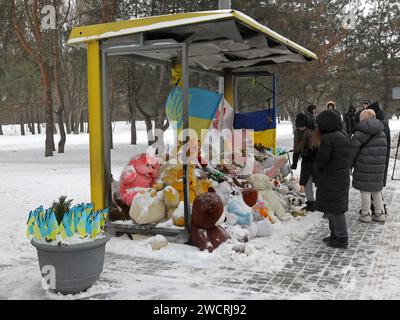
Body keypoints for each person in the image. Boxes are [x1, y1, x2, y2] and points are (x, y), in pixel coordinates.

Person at [314, 110, 351, 249]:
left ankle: (341, 238)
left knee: (336, 210)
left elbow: (322, 159)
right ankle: (335, 234)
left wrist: (316, 167)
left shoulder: (328, 138)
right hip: (340, 176)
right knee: (333, 208)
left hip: (331, 177)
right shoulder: (343, 135)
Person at [349, 109, 387, 223]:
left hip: (364, 166)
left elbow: (352, 152)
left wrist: (349, 165)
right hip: (378, 166)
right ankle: (379, 213)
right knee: (376, 190)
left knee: (365, 191)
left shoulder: (359, 133)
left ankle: (365, 214)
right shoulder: (381, 132)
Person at [291, 113, 318, 211]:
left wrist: (309, 151)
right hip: (306, 161)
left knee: (318, 182)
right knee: (306, 182)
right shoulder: (297, 133)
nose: (301, 128)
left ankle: (320, 202)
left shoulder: (311, 133)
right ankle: (311, 202)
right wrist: (294, 162)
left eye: (302, 126)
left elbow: (316, 147)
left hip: (315, 160)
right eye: (299, 126)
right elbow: (296, 148)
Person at [368, 101, 391, 187]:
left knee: (377, 179)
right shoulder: (380, 122)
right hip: (380, 155)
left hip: (380, 155)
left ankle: (377, 197)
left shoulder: (380, 124)